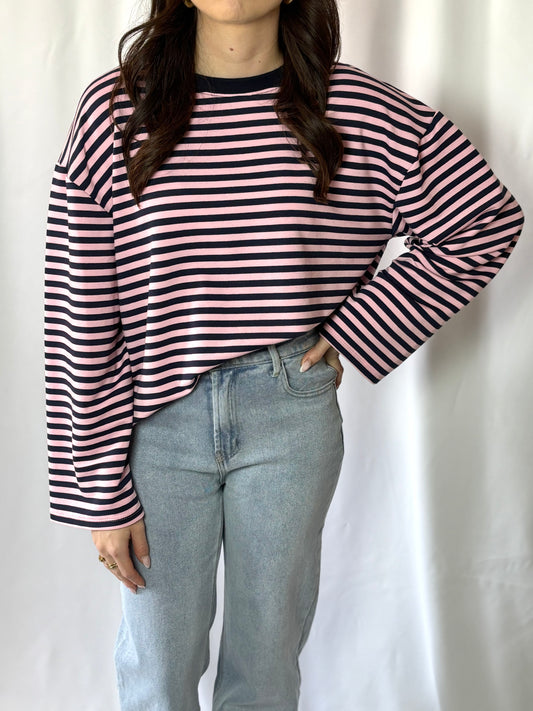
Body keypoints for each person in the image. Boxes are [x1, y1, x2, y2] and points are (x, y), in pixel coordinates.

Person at [44, 1, 524, 709]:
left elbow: (483, 220)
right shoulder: (117, 110)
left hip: (288, 414)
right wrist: (96, 485)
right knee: (157, 668)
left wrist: (357, 328)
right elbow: (81, 304)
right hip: (155, 419)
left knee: (266, 668)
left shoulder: (356, 110)